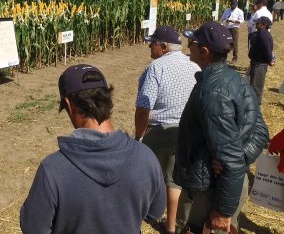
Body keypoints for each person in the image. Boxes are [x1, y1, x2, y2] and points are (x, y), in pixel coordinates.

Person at [21, 64, 166, 234]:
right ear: (106, 98)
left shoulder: (53, 169)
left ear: (68, 104)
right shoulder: (146, 157)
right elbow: (155, 211)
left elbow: (33, 228)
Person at [174, 22, 269, 233]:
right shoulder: (237, 80)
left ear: (204, 52)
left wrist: (222, 210)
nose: (188, 46)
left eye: (192, 43)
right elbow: (261, 131)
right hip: (230, 181)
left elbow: (231, 155)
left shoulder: (213, 93)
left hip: (212, 190)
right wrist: (242, 156)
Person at [135, 26, 200, 234]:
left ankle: (136, 217)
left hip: (160, 131)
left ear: (163, 47)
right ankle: (171, 228)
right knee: (173, 180)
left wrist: (139, 136)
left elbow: (144, 107)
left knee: (145, 174)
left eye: (152, 43)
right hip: (185, 132)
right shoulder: (194, 65)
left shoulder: (155, 68)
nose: (149, 46)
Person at [248, 17, 275, 105]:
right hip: (256, 64)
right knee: (254, 85)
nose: (256, 24)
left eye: (258, 23)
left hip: (259, 65)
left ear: (264, 25)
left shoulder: (263, 34)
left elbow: (267, 50)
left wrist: (270, 60)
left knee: (256, 87)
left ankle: (255, 106)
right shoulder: (260, 33)